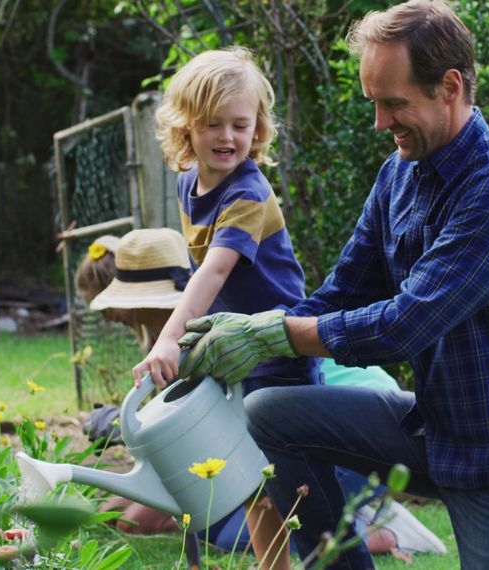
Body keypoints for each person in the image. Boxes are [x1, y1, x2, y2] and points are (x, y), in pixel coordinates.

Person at [175, 2, 489, 568]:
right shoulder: (399, 174)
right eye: (374, 102)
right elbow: (342, 294)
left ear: (449, 87)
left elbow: (406, 324)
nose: (380, 122)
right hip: (437, 427)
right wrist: (249, 333)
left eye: (394, 103)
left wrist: (274, 333)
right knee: (271, 411)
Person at [76, 229, 446, 559]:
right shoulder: (171, 347)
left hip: (352, 431)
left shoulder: (208, 338)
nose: (114, 316)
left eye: (117, 305)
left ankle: (373, 531)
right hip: (315, 432)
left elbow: (187, 470)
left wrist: (121, 512)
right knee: (207, 513)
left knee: (221, 525)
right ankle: (352, 512)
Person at [132, 46, 318, 569]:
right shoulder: (188, 183)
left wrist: (169, 338)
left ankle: (338, 550)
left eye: (240, 124)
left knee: (289, 484)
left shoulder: (248, 193)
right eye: (213, 124)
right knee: (245, 479)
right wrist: (182, 336)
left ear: (258, 127)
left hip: (277, 348)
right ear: (185, 127)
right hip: (232, 349)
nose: (228, 137)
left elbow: (215, 270)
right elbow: (200, 275)